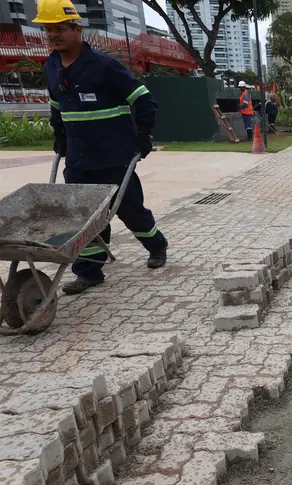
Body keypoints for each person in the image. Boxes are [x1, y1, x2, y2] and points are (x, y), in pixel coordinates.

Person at [39, 0, 168, 294]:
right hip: (78, 158)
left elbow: (143, 98)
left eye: (59, 28)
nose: (53, 35)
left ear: (76, 29)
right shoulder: (52, 66)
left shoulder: (104, 66)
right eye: (48, 30)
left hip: (114, 155)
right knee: (86, 217)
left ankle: (157, 245)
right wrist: (58, 132)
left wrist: (143, 134)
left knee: (129, 210)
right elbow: (56, 104)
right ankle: (89, 271)